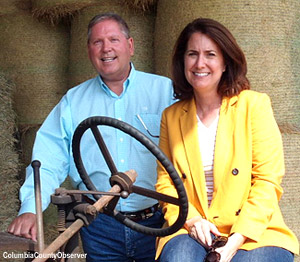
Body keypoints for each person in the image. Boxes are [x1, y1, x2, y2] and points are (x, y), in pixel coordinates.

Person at [8, 13, 174, 262]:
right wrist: (31, 209)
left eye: (113, 39)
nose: (106, 48)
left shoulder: (166, 91)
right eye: (97, 42)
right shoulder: (74, 102)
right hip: (99, 225)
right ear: (88, 51)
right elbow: (47, 158)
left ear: (130, 45)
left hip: (159, 222)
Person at [155, 18, 299, 262]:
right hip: (193, 227)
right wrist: (191, 220)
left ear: (225, 63)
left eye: (210, 54)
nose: (200, 63)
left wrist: (236, 240)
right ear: (183, 61)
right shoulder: (172, 116)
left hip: (253, 230)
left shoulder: (254, 105)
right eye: (192, 54)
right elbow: (166, 183)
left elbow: (267, 180)